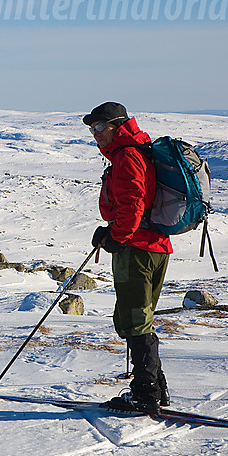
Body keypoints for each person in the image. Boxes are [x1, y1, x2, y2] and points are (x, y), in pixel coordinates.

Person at [83, 102, 172, 413]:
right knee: (139, 320)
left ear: (117, 126)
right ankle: (155, 389)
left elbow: (132, 205)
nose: (94, 135)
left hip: (138, 249)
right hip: (152, 245)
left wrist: (116, 238)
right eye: (91, 129)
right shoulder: (138, 150)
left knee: (135, 322)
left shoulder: (127, 155)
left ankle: (146, 395)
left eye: (99, 127)